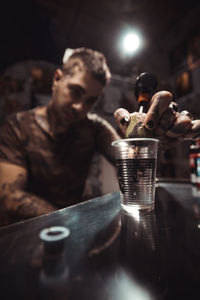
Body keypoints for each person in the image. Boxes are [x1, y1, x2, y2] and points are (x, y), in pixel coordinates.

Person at [0, 47, 199, 227]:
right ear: (57, 79)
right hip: (30, 233)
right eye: (75, 92)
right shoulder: (16, 126)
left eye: (90, 101)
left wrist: (148, 142)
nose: (79, 107)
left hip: (78, 231)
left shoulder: (94, 127)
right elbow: (7, 196)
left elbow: (129, 159)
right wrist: (69, 220)